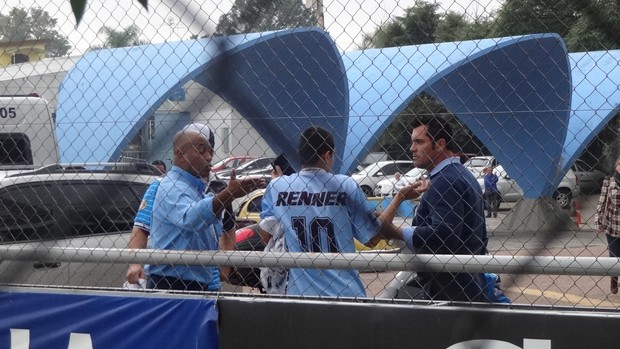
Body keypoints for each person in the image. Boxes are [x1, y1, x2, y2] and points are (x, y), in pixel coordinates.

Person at [259, 126, 402, 297]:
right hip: (345, 291)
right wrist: (399, 197)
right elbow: (373, 239)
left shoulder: (278, 187)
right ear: (327, 155)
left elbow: (266, 237)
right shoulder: (345, 185)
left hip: (300, 293)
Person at [135, 123, 264, 291]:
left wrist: (225, 265)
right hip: (175, 284)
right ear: (180, 153)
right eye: (201, 150)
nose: (209, 157)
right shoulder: (169, 187)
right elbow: (191, 218)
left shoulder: (201, 188)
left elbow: (226, 226)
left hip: (201, 281)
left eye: (211, 150)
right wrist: (228, 195)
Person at [383, 116, 488, 302]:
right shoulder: (461, 175)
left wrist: (397, 232)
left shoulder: (444, 181)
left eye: (419, 142)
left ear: (440, 144)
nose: (412, 148)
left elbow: (444, 234)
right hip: (466, 281)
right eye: (412, 142)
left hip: (449, 288)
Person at [595, 158, 620, 294]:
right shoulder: (609, 181)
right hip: (613, 225)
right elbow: (602, 202)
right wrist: (598, 221)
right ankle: (614, 280)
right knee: (615, 255)